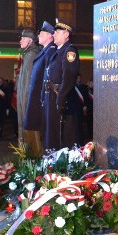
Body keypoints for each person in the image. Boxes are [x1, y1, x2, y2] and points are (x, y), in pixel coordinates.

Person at [44, 20, 80, 150]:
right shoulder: (57, 52)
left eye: (57, 32)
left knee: (64, 135)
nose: (53, 35)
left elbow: (69, 77)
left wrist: (60, 98)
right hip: (53, 97)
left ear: (66, 34)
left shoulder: (69, 51)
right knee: (53, 133)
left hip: (63, 99)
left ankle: (63, 164)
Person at [24, 21, 56, 157]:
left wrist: (43, 100)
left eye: (42, 33)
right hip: (37, 100)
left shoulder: (51, 52)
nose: (39, 35)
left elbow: (48, 78)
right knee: (37, 134)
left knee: (44, 137)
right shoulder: (44, 51)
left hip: (41, 101)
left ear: (50, 36)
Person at [16, 29, 41, 145]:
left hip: (26, 99)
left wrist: (24, 101)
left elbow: (27, 83)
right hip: (23, 98)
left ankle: (28, 154)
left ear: (30, 41)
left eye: (23, 38)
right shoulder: (28, 55)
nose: (20, 41)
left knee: (27, 127)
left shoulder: (31, 56)